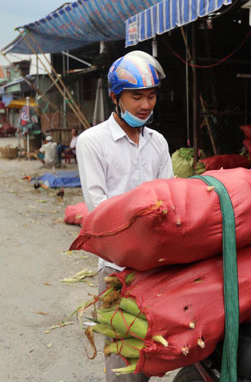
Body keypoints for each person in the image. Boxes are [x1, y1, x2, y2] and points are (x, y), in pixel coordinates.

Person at [77, 50, 172, 382]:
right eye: (136, 96)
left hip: (158, 269)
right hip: (118, 271)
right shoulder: (92, 142)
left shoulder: (158, 142)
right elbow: (99, 210)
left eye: (151, 95)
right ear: (116, 96)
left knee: (152, 352)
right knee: (122, 363)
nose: (146, 104)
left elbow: (171, 200)